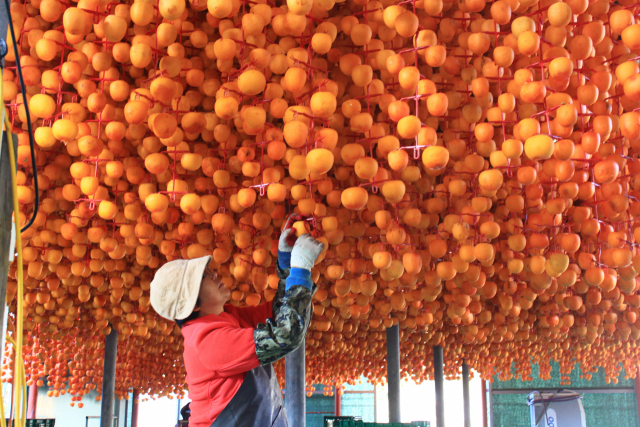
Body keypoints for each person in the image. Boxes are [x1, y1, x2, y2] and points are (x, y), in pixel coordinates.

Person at [150, 215, 325, 427]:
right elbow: (286, 334)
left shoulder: (229, 318)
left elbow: (282, 314)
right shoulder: (207, 341)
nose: (214, 274)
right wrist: (300, 269)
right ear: (193, 304)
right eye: (205, 276)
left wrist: (288, 266)